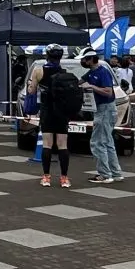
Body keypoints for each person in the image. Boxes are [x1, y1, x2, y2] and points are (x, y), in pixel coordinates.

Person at [36, 46, 83, 188]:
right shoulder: (64, 73)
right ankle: (64, 178)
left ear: (47, 56)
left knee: (47, 144)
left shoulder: (39, 71)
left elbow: (31, 90)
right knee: (63, 145)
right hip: (62, 113)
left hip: (47, 111)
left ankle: (46, 177)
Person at [80, 49, 124, 184]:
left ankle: (105, 174)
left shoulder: (103, 72)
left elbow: (108, 92)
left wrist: (92, 87)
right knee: (108, 142)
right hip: (101, 109)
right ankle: (115, 173)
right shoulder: (91, 73)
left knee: (98, 142)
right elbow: (80, 81)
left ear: (92, 59)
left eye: (85, 60)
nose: (83, 62)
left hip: (105, 109)